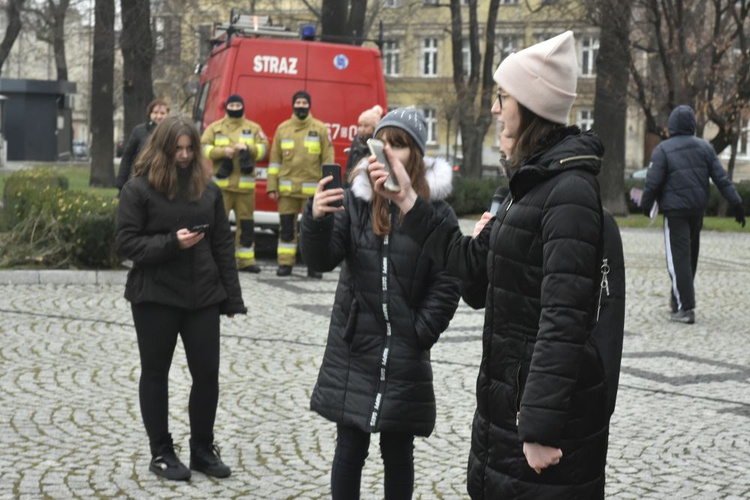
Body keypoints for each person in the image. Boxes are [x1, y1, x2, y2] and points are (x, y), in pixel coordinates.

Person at [370, 32, 615, 498]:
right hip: (505, 413)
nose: (496, 108)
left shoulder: (569, 192)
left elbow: (564, 317)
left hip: (537, 428)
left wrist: (539, 428)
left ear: (530, 103)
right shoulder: (526, 185)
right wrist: (406, 198)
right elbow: (473, 272)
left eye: (503, 97)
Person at [299, 107, 461, 499]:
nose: (386, 152)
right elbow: (321, 259)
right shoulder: (355, 201)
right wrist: (315, 219)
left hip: (405, 350)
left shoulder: (435, 212)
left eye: (399, 145)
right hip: (356, 346)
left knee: (398, 452)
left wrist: (420, 331)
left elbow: (449, 280)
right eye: (382, 143)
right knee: (350, 449)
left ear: (416, 156)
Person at [116, 115, 247, 481]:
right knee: (156, 373)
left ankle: (202, 449)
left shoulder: (209, 190)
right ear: (163, 149)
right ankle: (161, 452)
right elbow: (126, 244)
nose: (185, 156)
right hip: (155, 295)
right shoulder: (138, 189)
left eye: (191, 149)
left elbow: (223, 244)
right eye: (178, 149)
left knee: (207, 375)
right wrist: (171, 243)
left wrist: (231, 299)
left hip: (202, 295)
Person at [640, 104, 745, 324]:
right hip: (697, 210)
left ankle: (686, 309)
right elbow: (721, 178)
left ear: (672, 126)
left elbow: (653, 182)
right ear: (692, 126)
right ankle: (676, 300)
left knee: (677, 260)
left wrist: (645, 204)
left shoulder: (663, 149)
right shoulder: (705, 148)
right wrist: (737, 204)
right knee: (690, 258)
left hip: (675, 212)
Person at [267, 90, 335, 278]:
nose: (301, 105)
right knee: (286, 229)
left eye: (305, 102)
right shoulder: (283, 129)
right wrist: (272, 186)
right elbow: (275, 161)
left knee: (313, 230)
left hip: (312, 193)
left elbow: (328, 160)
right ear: (293, 105)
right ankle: (285, 264)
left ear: (309, 105)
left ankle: (314, 265)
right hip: (287, 192)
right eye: (298, 102)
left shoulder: (320, 129)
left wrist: (328, 188)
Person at [201, 94, 269, 273]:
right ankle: (215, 258)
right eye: (232, 105)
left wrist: (248, 148)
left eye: (238, 104)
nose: (235, 107)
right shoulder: (215, 128)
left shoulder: (253, 128)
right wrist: (223, 152)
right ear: (227, 107)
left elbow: (264, 149)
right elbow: (203, 148)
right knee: (218, 225)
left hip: (245, 189)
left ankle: (246, 261)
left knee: (246, 225)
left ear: (243, 106)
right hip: (220, 188)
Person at [116, 98, 171, 192]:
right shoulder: (139, 131)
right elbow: (127, 157)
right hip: (139, 180)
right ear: (150, 114)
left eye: (162, 113)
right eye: (155, 112)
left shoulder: (172, 133)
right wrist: (121, 182)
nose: (158, 116)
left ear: (167, 115)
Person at [343, 104, 384, 186]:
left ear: (374, 127)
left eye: (366, 126)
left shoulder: (377, 144)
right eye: (360, 125)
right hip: (353, 185)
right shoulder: (356, 141)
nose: (361, 129)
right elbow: (349, 167)